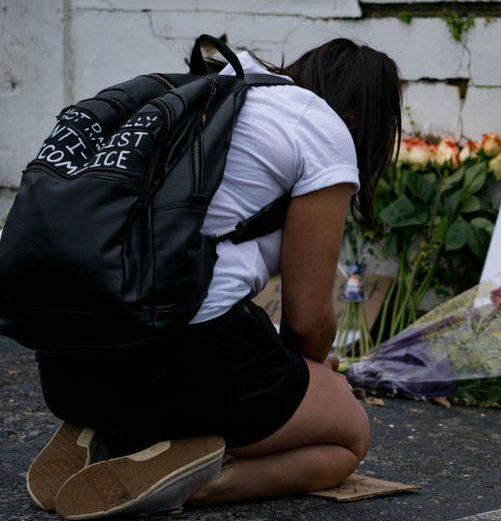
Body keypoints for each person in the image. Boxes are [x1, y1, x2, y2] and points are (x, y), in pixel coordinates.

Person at [24, 38, 402, 518]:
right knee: (347, 437)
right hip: (177, 353)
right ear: (360, 119)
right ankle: (196, 479)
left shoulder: (208, 91)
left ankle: (106, 427)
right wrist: (316, 380)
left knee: (224, 353)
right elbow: (307, 322)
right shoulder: (322, 128)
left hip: (66, 357)